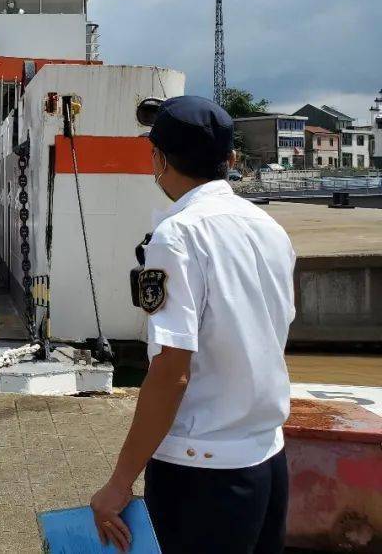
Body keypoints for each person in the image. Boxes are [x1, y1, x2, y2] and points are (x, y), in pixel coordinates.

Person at [88, 96, 296, 553]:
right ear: (233, 160)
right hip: (267, 461)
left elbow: (171, 371)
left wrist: (120, 483)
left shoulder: (177, 235)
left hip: (201, 474)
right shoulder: (269, 229)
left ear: (158, 159)